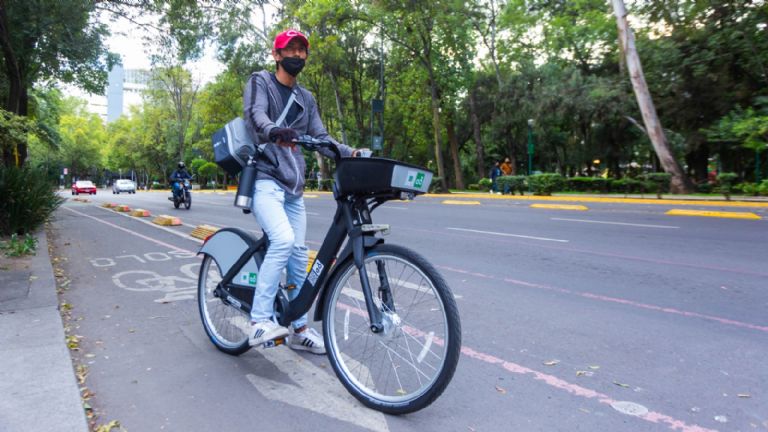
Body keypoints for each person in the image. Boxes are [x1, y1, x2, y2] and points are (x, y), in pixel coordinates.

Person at [243, 29, 368, 354]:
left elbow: (321, 137)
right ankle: (259, 322)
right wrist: (274, 131)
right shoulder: (261, 81)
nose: (297, 55)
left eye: (302, 50)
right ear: (276, 54)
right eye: (290, 49)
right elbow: (256, 116)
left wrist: (349, 152)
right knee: (282, 240)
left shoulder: (306, 98)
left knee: (299, 256)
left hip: (293, 187)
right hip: (265, 178)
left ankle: (299, 328)